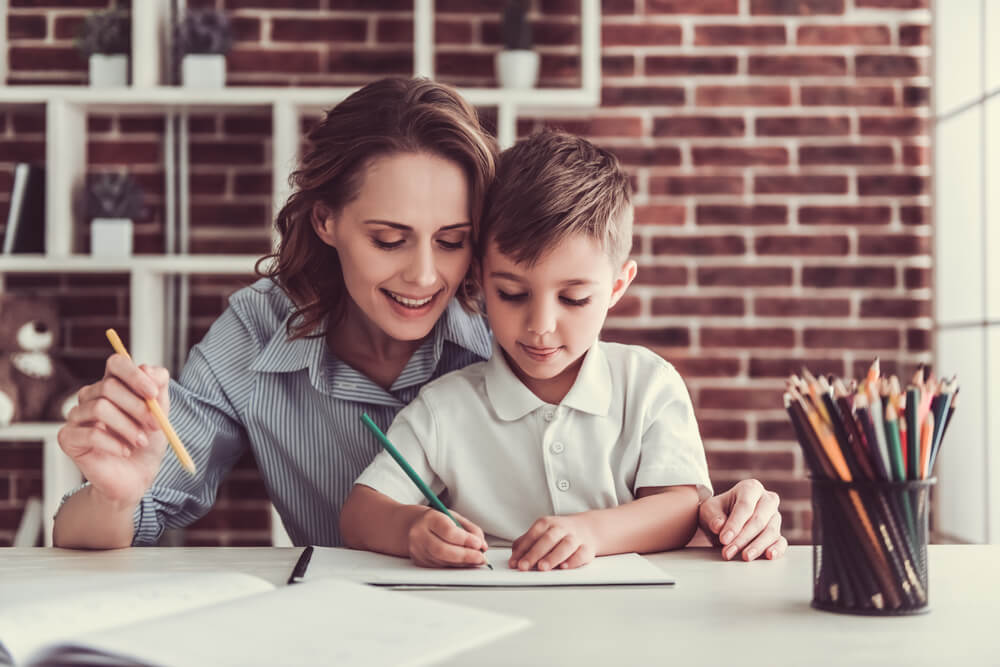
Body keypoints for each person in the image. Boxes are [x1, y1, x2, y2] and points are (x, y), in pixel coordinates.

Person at [52, 77, 786, 563]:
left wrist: (717, 512)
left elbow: (646, 496)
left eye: (454, 241)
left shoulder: (505, 324)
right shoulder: (256, 335)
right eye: (389, 238)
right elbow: (102, 529)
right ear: (328, 220)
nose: (426, 276)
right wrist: (115, 492)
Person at [342, 130, 714, 570]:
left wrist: (590, 532)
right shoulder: (446, 407)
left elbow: (681, 509)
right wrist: (411, 529)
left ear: (617, 287)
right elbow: (359, 514)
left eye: (574, 299)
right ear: (479, 278)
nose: (540, 327)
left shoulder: (647, 384)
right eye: (512, 294)